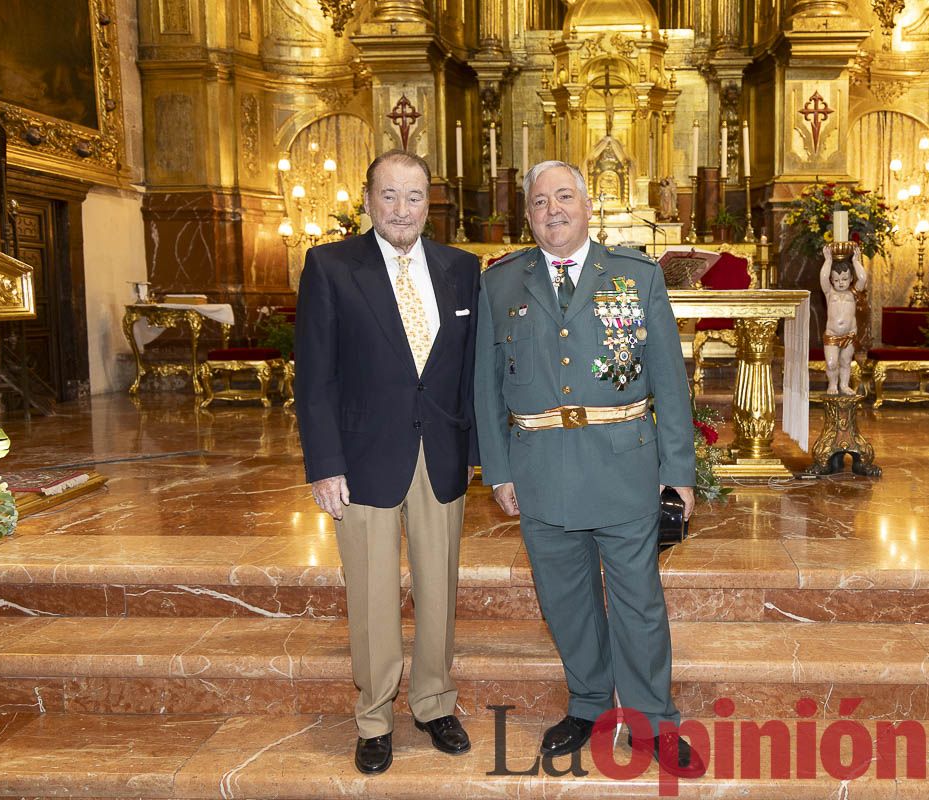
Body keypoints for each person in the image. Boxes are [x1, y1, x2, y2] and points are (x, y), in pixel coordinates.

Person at [473, 160, 704, 778]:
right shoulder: (500, 285)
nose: (553, 210)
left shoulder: (635, 276)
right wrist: (498, 471)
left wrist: (678, 471)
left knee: (639, 603)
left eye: (565, 197)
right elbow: (486, 390)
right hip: (540, 469)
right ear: (528, 214)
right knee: (566, 601)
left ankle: (652, 721)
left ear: (587, 205)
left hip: (624, 465)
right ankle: (590, 705)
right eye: (541, 201)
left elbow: (669, 383)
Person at [295, 149, 480, 775]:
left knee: (439, 587)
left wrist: (478, 455)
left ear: (431, 203)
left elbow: (468, 375)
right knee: (372, 592)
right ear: (368, 198)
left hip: (442, 454)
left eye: (415, 197)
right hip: (363, 456)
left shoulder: (462, 269)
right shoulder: (330, 266)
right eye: (390, 195)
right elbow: (315, 377)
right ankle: (374, 716)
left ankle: (433, 701)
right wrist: (324, 463)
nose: (402, 209)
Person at [820, 243, 867, 395]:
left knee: (846, 362)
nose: (841, 283)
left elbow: (863, 277)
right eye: (837, 280)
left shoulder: (853, 292)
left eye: (845, 279)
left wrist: (855, 261)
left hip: (849, 334)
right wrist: (828, 261)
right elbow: (823, 278)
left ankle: (844, 385)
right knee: (832, 363)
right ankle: (832, 384)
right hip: (832, 335)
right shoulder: (830, 293)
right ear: (832, 281)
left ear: (850, 278)